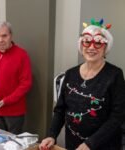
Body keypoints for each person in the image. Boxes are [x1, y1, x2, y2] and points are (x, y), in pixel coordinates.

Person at [39, 18, 125, 150]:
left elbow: (117, 116)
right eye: (87, 42)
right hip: (74, 144)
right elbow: (60, 110)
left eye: (98, 43)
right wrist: (52, 135)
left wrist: (90, 144)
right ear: (81, 45)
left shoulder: (115, 75)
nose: (91, 47)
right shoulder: (70, 74)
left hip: (104, 145)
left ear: (105, 47)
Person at [0, 21, 32, 134]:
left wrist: (6, 101)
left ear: (11, 35)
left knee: (13, 144)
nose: (0, 40)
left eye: (4, 36)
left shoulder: (22, 55)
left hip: (14, 112)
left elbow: (25, 84)